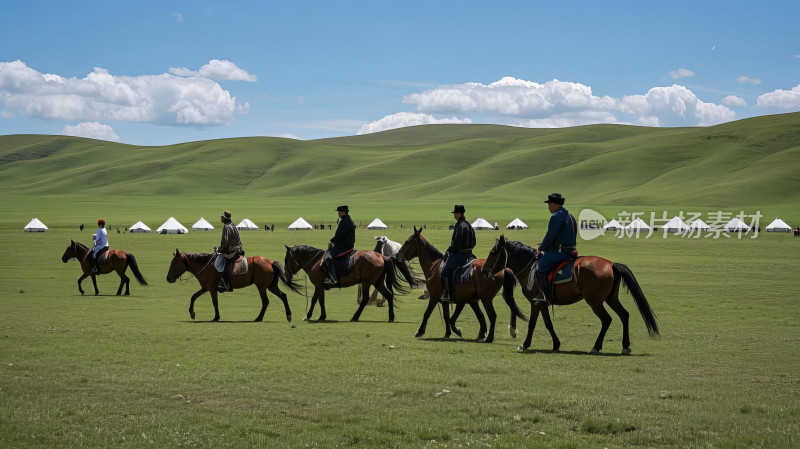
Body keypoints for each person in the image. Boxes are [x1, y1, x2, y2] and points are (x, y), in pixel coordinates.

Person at [533, 193, 577, 304]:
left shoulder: (556, 216)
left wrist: (541, 248)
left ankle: (544, 295)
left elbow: (550, 236)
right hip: (571, 250)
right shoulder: (569, 215)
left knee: (539, 269)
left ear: (554, 204)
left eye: (549, 204)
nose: (548, 207)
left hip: (560, 252)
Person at [441, 205, 476, 302]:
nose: (454, 215)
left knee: (445, 271)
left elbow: (457, 244)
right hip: (470, 254)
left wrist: (449, 250)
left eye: (455, 213)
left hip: (460, 255)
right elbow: (474, 241)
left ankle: (446, 294)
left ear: (458, 214)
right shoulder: (468, 225)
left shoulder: (460, 226)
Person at [322, 205, 356, 286]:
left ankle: (333, 279)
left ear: (344, 212)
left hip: (345, 245)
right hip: (345, 244)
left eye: (339, 212)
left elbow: (340, 235)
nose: (338, 213)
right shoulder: (346, 220)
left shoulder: (345, 221)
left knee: (328, 257)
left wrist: (332, 241)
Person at [215, 211, 243, 292]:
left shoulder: (227, 227)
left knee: (220, 264)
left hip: (231, 251)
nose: (221, 218)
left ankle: (225, 284)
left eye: (222, 217)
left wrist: (219, 249)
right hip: (237, 248)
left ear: (225, 218)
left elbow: (225, 242)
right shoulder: (233, 225)